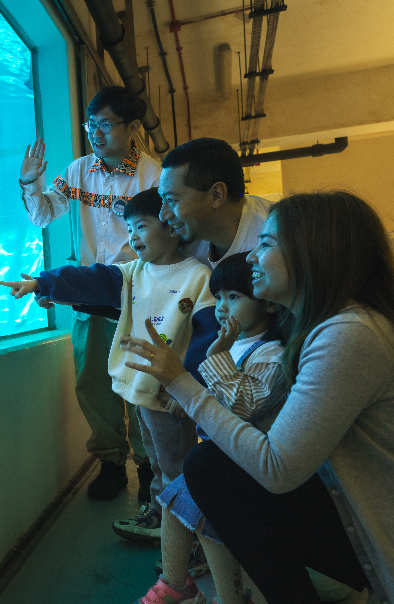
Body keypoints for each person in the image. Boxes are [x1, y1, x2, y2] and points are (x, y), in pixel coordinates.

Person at [121, 192, 394, 604]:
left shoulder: (347, 334)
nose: (251, 259)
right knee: (207, 469)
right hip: (344, 506)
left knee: (209, 467)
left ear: (313, 252)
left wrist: (181, 382)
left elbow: (276, 466)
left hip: (375, 530)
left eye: (265, 245)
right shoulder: (324, 328)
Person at [0, 189, 219, 554]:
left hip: (170, 396)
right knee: (157, 462)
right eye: (129, 228)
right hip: (140, 391)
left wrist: (191, 389)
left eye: (142, 226)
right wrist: (44, 283)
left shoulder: (197, 277)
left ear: (173, 227)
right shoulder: (134, 272)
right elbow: (92, 280)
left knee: (177, 466)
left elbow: (206, 338)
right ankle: (164, 520)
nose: (132, 237)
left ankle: (191, 537)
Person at [19, 86, 161, 503]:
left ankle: (149, 467)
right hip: (87, 292)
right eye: (90, 124)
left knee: (140, 380)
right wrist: (31, 181)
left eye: (105, 124)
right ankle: (110, 462)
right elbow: (43, 213)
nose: (96, 133)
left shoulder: (153, 176)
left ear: (133, 127)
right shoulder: (80, 170)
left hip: (138, 293)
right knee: (94, 380)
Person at [137, 253, 284, 604]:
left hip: (250, 462)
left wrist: (217, 355)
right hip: (222, 456)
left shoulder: (272, 353)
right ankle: (175, 585)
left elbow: (244, 406)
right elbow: (217, 395)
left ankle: (230, 598)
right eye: (218, 297)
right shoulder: (237, 345)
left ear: (271, 304)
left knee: (204, 513)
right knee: (175, 500)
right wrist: (189, 397)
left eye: (234, 297)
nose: (221, 306)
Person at [157, 138, 272, 269]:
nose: (163, 215)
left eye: (172, 200)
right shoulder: (179, 243)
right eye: (163, 200)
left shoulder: (280, 237)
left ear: (217, 195)